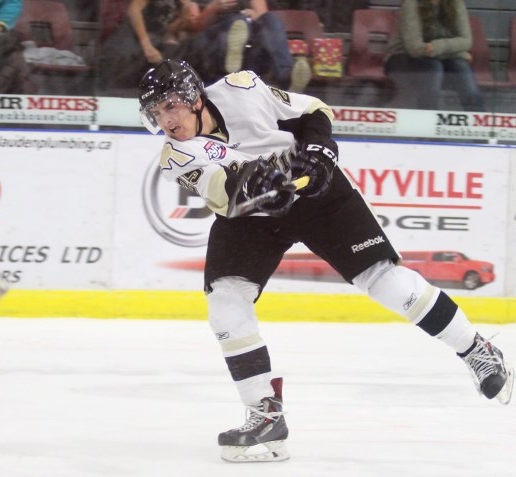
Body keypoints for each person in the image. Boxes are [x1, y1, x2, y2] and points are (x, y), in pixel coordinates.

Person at [137, 59, 513, 462]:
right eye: (156, 113)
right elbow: (227, 195)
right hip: (251, 215)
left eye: (170, 106)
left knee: (385, 281)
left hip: (319, 195)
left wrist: (318, 150)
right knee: (225, 302)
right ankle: (265, 413)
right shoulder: (174, 157)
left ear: (195, 99)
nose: (166, 121)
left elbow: (314, 110)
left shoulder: (241, 87)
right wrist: (257, 184)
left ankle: (476, 350)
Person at [384, 0, 484, 111]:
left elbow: (466, 41)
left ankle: (477, 121)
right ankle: (429, 121)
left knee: (461, 67)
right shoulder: (411, 3)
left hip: (440, 56)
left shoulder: (456, 3)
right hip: (403, 56)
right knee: (433, 68)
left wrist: (438, 47)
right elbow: (414, 49)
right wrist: (459, 52)